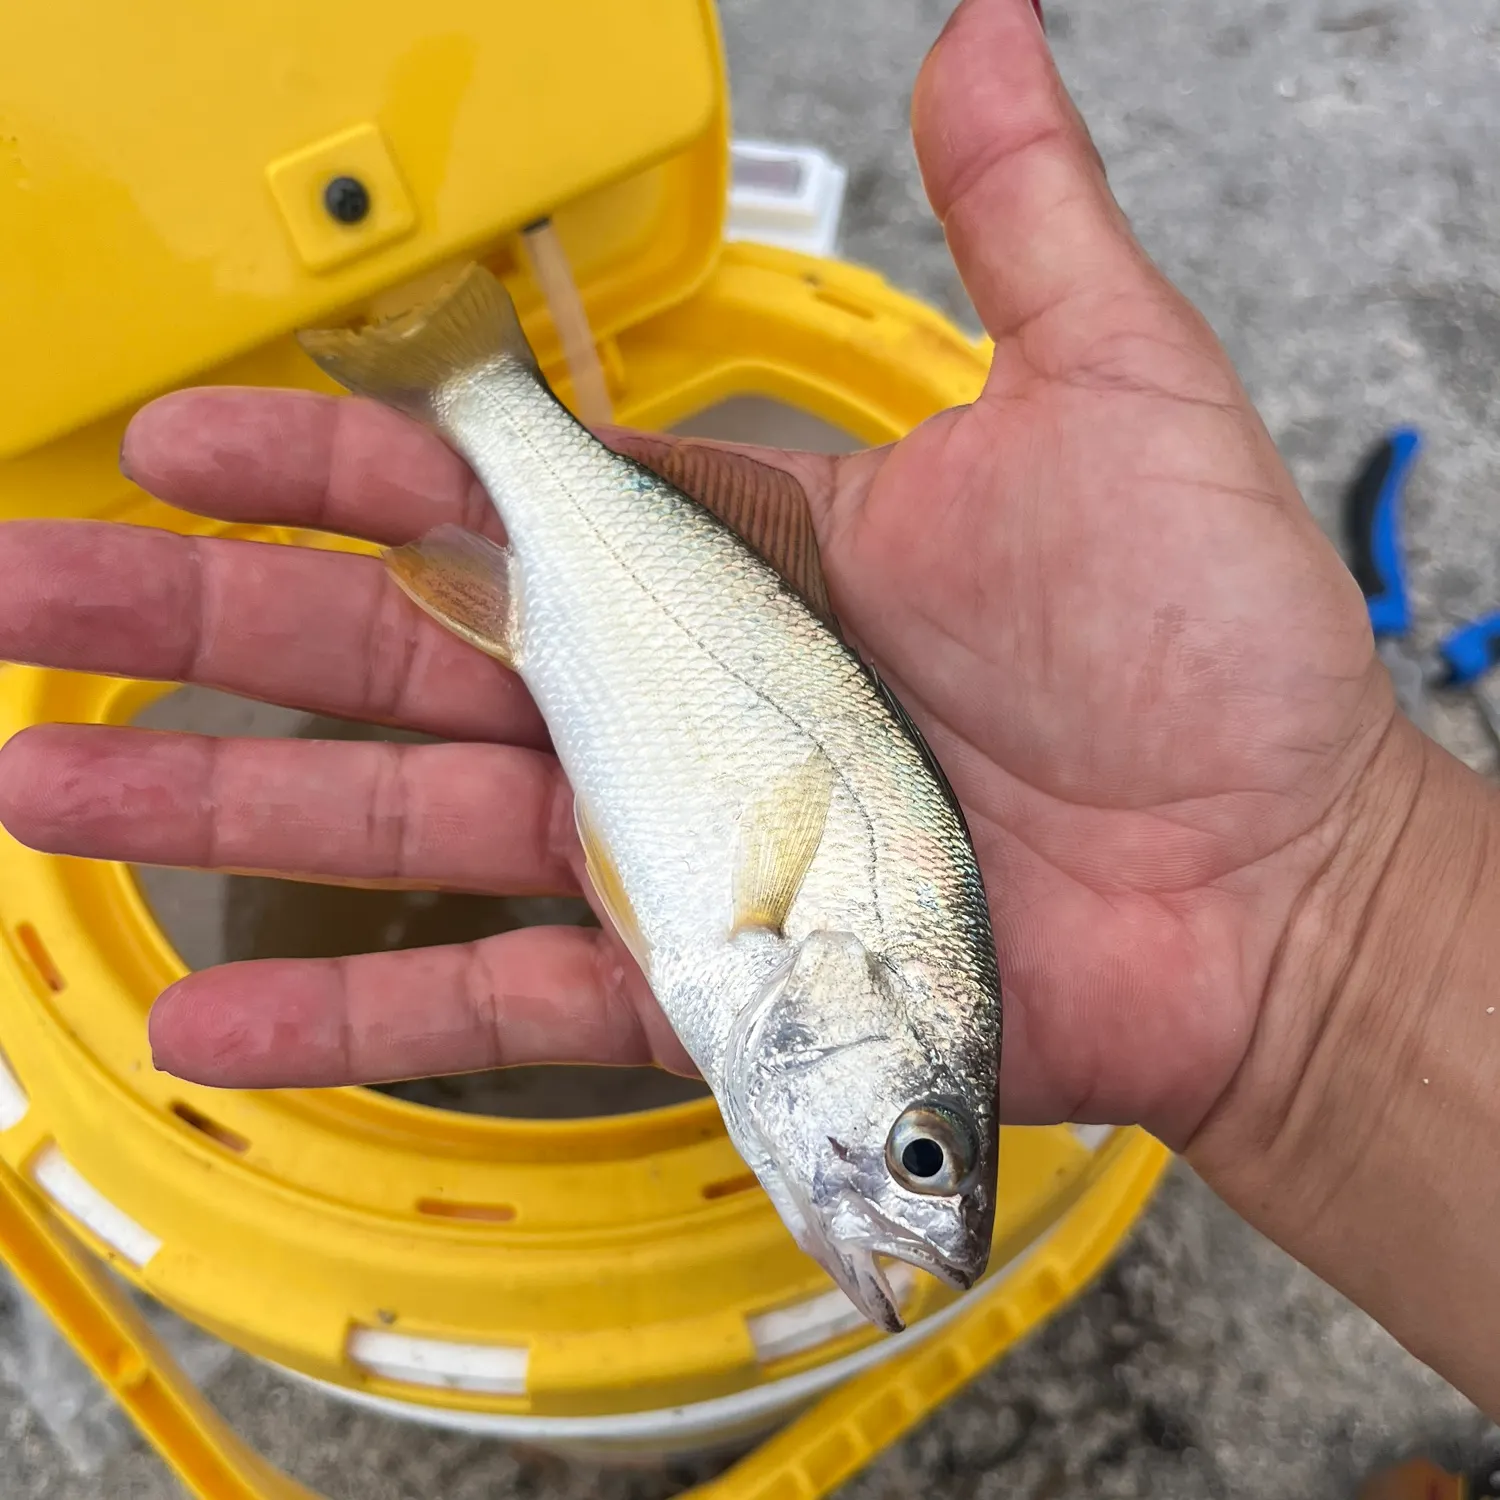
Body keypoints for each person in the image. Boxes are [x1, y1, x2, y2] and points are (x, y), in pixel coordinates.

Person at [0, 0, 1495, 1430]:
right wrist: (1334, 934)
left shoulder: (769, 981)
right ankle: (482, 386)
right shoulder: (774, 955)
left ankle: (477, 387)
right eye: (917, 1156)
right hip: (676, 664)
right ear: (863, 1007)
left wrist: (1333, 956)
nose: (899, 1205)